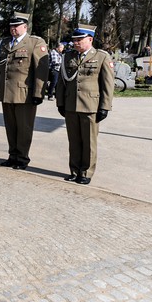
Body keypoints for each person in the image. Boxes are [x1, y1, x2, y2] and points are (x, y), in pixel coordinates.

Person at [0, 12, 49, 170]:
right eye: (11, 26)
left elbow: (41, 69)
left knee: (24, 128)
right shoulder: (4, 43)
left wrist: (38, 93)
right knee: (10, 127)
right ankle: (12, 155)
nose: (13, 29)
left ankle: (22, 158)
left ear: (25, 26)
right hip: (7, 93)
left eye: (16, 26)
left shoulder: (35, 42)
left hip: (25, 94)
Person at [56, 25, 114, 184]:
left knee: (89, 142)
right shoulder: (68, 56)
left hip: (91, 106)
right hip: (71, 105)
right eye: (74, 40)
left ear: (90, 39)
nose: (75, 43)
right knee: (74, 141)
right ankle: (74, 170)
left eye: (79, 40)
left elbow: (108, 84)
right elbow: (61, 82)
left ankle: (86, 173)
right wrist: (60, 102)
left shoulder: (101, 57)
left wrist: (105, 106)